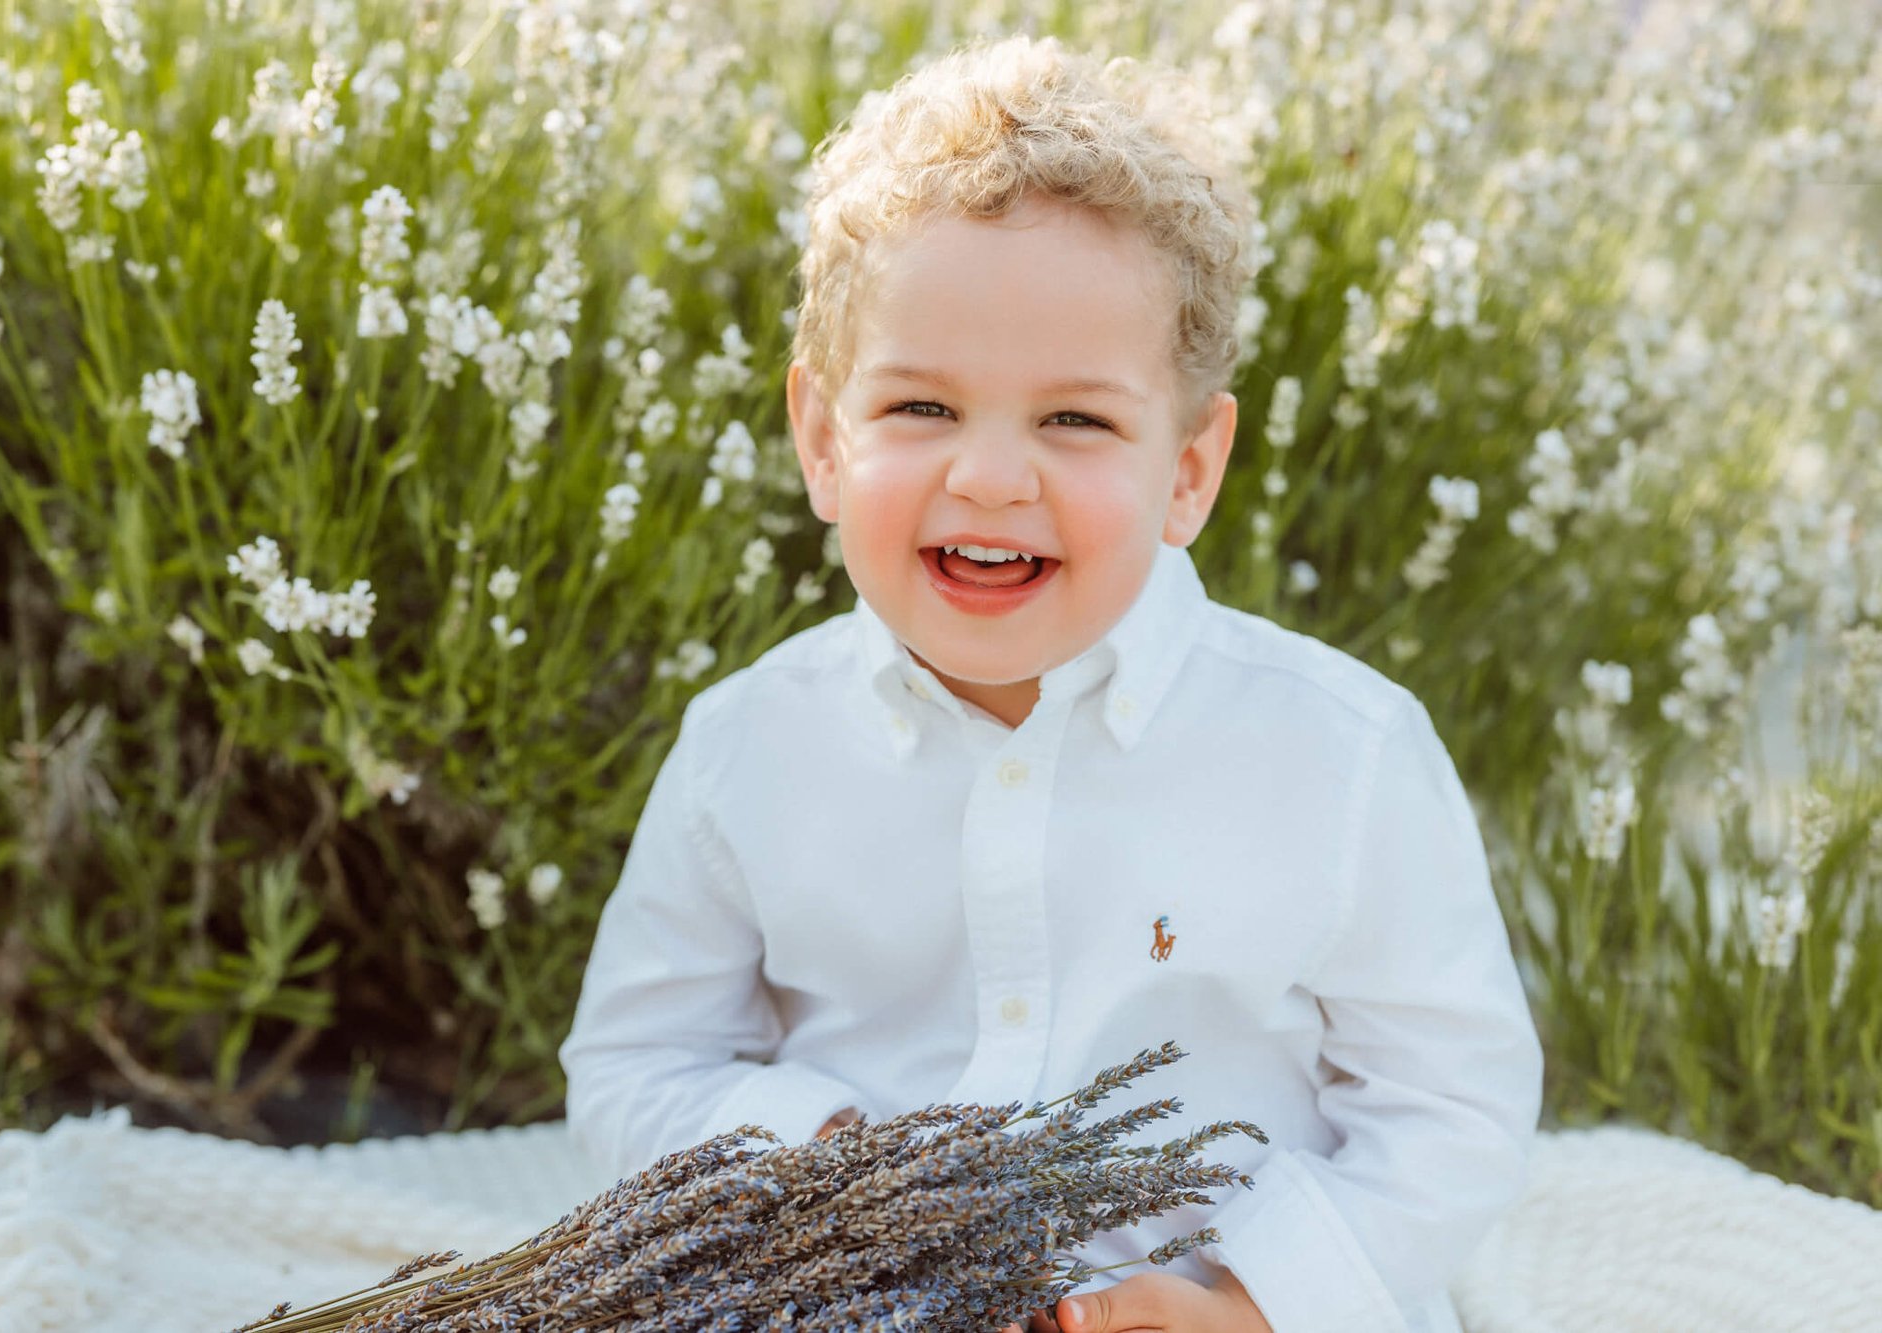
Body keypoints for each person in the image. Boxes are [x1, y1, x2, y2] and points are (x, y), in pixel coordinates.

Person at [558, 31, 1542, 1333]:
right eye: (920, 409)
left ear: (1187, 470)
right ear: (820, 439)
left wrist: (1248, 1303)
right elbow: (638, 1061)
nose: (990, 477)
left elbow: (1450, 1105)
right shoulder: (750, 747)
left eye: (1074, 420)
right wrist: (836, 1168)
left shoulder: (1342, 755)